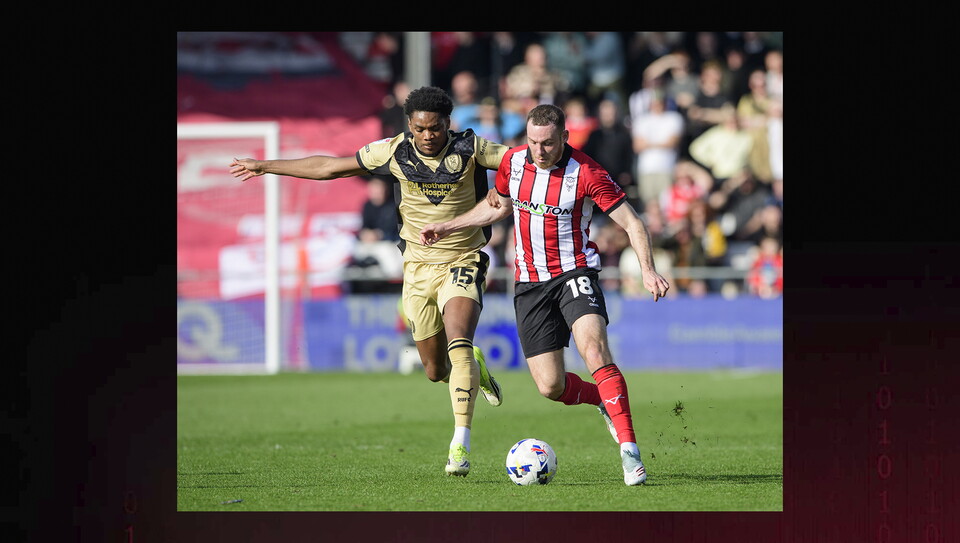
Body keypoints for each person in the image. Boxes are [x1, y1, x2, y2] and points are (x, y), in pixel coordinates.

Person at [230, 86, 506, 477]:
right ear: (410, 125)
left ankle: (459, 445)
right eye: (421, 129)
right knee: (434, 369)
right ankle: (473, 368)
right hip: (416, 268)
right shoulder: (393, 151)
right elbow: (329, 167)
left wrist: (507, 190)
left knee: (459, 341)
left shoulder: (474, 148)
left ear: (448, 124)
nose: (428, 136)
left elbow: (526, 161)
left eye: (436, 128)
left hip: (464, 258)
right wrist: (266, 166)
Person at [419, 104, 670, 486]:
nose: (540, 150)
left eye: (548, 143)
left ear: (565, 138)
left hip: (574, 271)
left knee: (594, 350)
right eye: (534, 141)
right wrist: (449, 226)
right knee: (550, 386)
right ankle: (601, 398)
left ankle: (630, 452)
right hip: (530, 284)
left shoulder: (586, 172)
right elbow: (497, 207)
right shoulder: (514, 163)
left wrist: (648, 270)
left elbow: (632, 222)